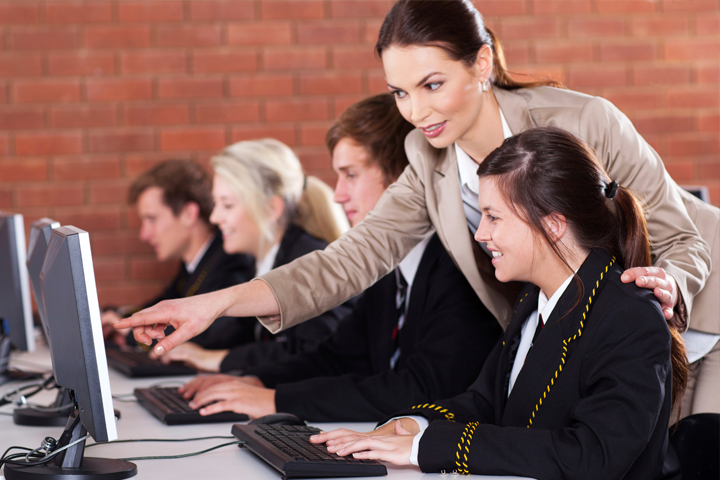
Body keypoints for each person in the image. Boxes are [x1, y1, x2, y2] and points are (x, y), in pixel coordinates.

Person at [116, 0, 718, 412]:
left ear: (481, 64)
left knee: (685, 452)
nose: (418, 111)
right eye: (400, 92)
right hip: (600, 339)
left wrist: (669, 283)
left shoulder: (585, 120)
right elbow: (346, 263)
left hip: (702, 319)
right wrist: (211, 304)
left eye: (433, 85)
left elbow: (683, 237)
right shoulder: (426, 154)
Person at [311, 126, 686, 480]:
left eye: (493, 216)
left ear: (553, 224)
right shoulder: (534, 298)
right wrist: (414, 425)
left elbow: (593, 455)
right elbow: (487, 402)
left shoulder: (627, 315)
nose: (480, 233)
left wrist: (426, 448)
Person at [177, 94, 502, 421]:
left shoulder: (458, 268)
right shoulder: (390, 269)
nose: (338, 195)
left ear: (406, 179)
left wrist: (275, 401)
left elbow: (422, 388)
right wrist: (257, 382)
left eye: (351, 174)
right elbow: (337, 357)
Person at [151, 138, 351, 372]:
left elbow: (313, 355)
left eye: (227, 205)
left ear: (270, 209)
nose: (215, 218)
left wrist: (216, 359)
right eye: (216, 204)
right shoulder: (264, 261)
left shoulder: (307, 261)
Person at [101, 159, 255, 350]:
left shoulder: (231, 262)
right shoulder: (192, 264)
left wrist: (132, 335)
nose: (144, 234)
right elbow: (160, 306)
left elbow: (216, 335)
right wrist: (118, 318)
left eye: (152, 219)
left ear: (188, 214)